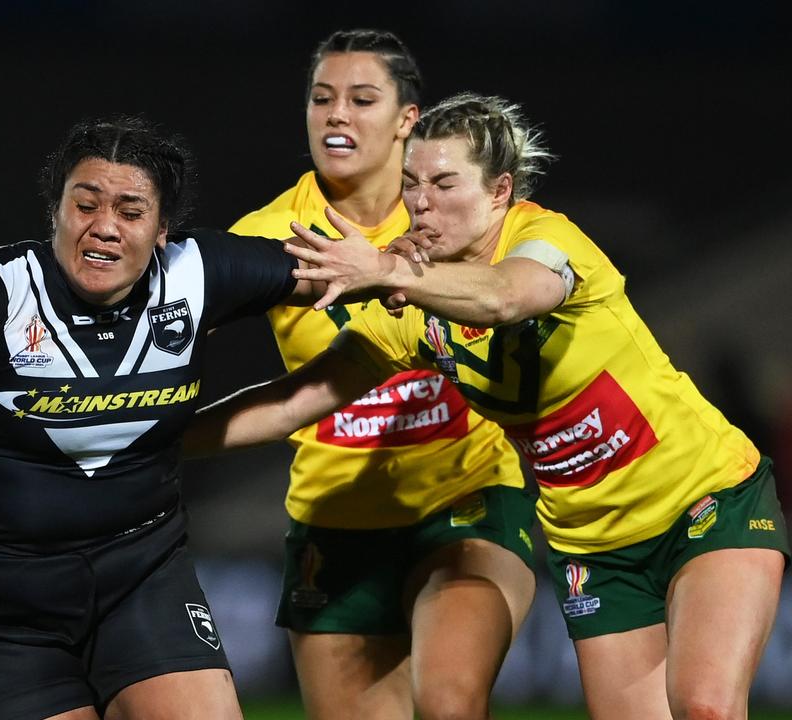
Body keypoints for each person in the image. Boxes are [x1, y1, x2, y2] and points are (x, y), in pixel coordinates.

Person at [191, 93, 789, 719]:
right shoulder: (414, 311)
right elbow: (297, 401)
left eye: (446, 182)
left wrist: (392, 274)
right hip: (592, 548)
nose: (422, 202)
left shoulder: (548, 239)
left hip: (707, 499)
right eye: (412, 184)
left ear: (500, 190)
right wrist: (157, 435)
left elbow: (508, 297)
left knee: (705, 707)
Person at [0, 116, 349, 720]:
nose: (104, 227)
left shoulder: (200, 272)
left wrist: (392, 274)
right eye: (86, 204)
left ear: (162, 231)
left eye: (130, 211)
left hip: (140, 578)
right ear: (57, 211)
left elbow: (363, 276)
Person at [227, 30, 535, 720]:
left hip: (465, 496)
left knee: (450, 700)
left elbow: (520, 290)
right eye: (321, 98)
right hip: (333, 518)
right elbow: (174, 330)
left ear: (406, 120)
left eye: (362, 99)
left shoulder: (453, 211)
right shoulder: (264, 236)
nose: (336, 114)